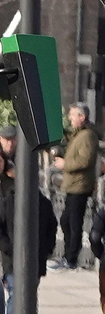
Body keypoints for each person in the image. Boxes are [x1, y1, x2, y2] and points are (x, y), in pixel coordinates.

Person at [0, 142, 56, 314]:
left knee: (27, 297)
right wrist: (9, 249)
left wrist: (44, 252)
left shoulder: (43, 204)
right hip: (12, 261)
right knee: (16, 295)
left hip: (34, 262)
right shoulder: (9, 202)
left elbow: (51, 229)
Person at [52, 102, 96, 268]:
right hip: (72, 185)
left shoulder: (88, 136)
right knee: (65, 220)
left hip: (80, 186)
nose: (69, 118)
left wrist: (65, 164)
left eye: (72, 115)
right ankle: (68, 255)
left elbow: (85, 160)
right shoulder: (79, 134)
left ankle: (71, 259)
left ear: (82, 117)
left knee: (74, 222)